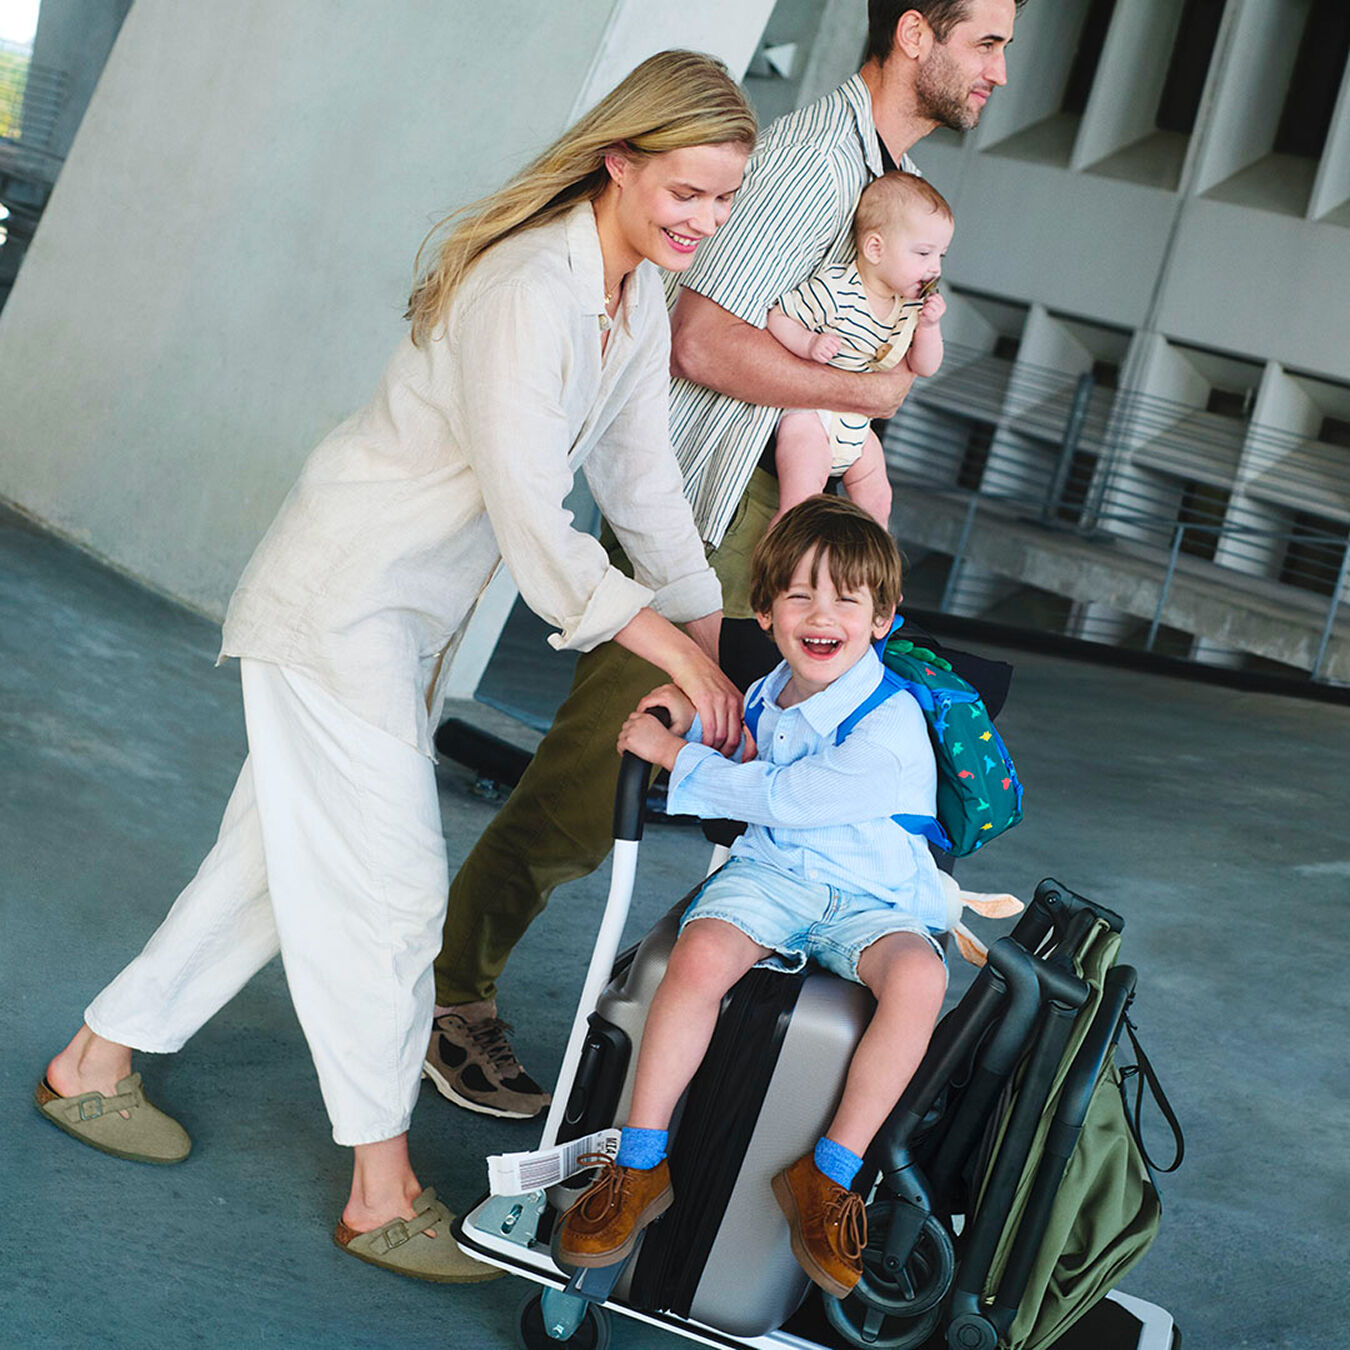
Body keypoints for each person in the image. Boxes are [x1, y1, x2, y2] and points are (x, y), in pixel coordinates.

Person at [35, 50, 756, 1284]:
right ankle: (382, 1188)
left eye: (725, 199)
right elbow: (539, 520)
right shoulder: (532, 284)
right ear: (620, 161)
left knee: (271, 868)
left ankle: (93, 1061)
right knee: (395, 890)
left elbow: (642, 478)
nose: (703, 219)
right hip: (339, 604)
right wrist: (680, 665)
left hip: (396, 621)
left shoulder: (631, 298)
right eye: (685, 189)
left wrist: (713, 637)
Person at [428, 0, 1021, 1122]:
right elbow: (700, 336)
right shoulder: (811, 156)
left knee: (753, 786)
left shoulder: (884, 178)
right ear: (913, 33)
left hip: (773, 521)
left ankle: (662, 1039)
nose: (999, 69)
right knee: (599, 776)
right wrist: (864, 396)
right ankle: (449, 994)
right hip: (708, 512)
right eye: (985, 40)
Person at [556, 495, 949, 1299]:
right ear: (765, 611)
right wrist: (684, 714)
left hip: (874, 897)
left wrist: (673, 756)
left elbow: (789, 797)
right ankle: (640, 1161)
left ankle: (831, 1172)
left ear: (882, 620)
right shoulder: (774, 689)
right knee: (698, 959)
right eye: (800, 595)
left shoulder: (891, 723)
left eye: (847, 598)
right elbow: (737, 739)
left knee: (920, 979)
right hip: (776, 877)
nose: (821, 614)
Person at [767, 171, 953, 528]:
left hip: (856, 422)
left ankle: (878, 574)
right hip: (811, 417)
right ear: (875, 248)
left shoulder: (910, 307)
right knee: (800, 502)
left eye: (941, 255)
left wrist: (930, 328)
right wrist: (808, 343)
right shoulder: (836, 288)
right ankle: (779, 565)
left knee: (879, 499)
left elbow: (925, 366)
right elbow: (780, 317)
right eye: (923, 253)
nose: (934, 268)